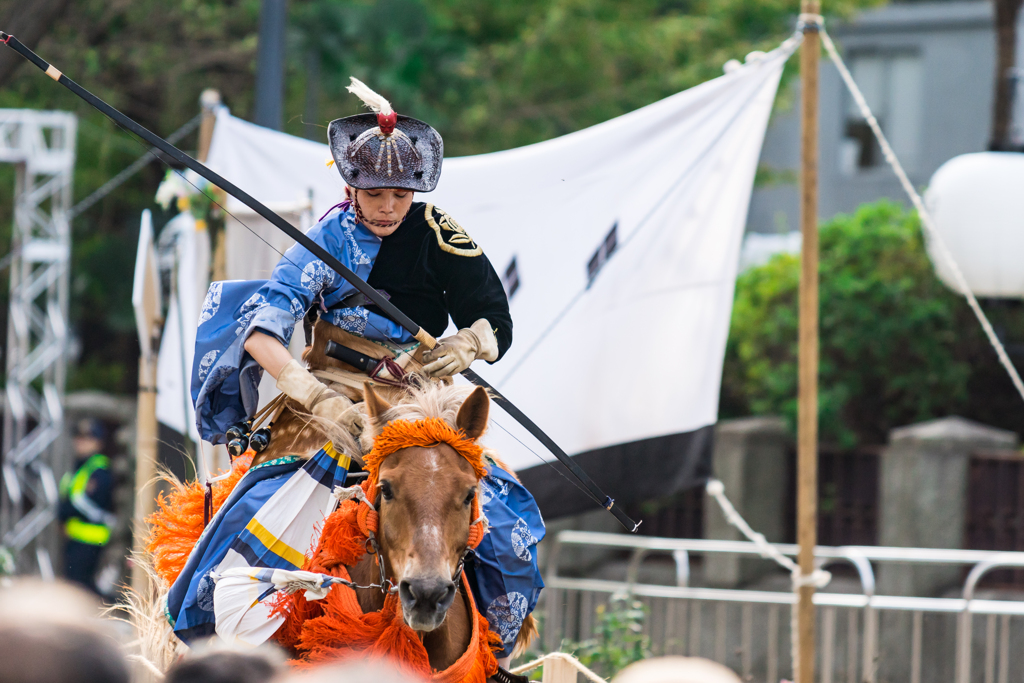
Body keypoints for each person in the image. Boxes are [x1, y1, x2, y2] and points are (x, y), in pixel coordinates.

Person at [182, 78, 543, 663]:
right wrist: (312, 396)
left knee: (496, 505)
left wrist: (468, 344)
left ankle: (492, 646)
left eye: (401, 194)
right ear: (351, 184)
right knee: (269, 495)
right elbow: (262, 330)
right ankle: (230, 627)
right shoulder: (323, 239)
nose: (388, 207)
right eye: (375, 193)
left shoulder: (439, 235)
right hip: (333, 393)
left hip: (424, 394)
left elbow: (496, 318)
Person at [59, 418, 117, 595]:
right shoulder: (80, 467)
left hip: (91, 538)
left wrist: (64, 513)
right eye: (78, 437)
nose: (81, 442)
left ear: (98, 442)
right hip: (75, 537)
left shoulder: (99, 469)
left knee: (82, 589)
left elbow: (85, 502)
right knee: (76, 587)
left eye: (88, 438)